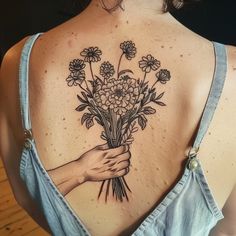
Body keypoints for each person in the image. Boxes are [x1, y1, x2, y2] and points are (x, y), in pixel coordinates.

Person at [0, 0, 235, 235]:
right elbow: (227, 229)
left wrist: (79, 171)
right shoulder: (231, 73)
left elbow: (29, 197)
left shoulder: (17, 62)